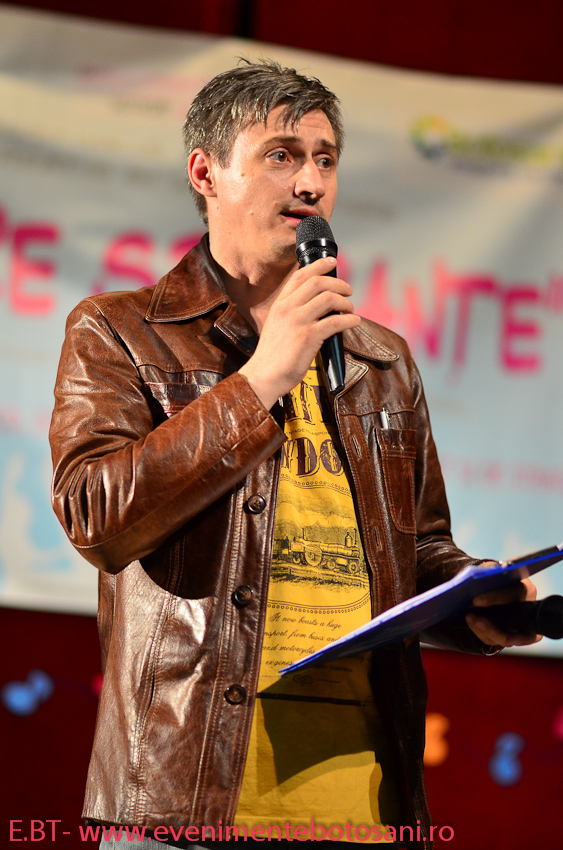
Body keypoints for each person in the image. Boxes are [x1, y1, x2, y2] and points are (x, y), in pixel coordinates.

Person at [49, 60, 539, 850]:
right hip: (186, 807)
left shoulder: (380, 360)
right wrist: (261, 380)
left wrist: (473, 599)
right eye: (281, 155)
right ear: (205, 172)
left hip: (359, 809)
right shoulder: (118, 332)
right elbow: (96, 517)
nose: (309, 181)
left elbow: (414, 551)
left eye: (324, 159)